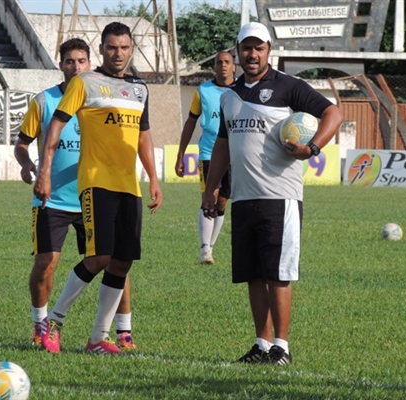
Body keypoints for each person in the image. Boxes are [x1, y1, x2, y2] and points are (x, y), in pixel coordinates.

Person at [202, 22, 343, 365]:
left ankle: (282, 347)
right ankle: (262, 345)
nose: (252, 54)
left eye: (259, 48)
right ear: (237, 51)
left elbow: (333, 113)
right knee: (253, 274)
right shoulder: (229, 95)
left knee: (278, 274)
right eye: (246, 48)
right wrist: (211, 187)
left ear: (269, 50)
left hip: (280, 197)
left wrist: (312, 148)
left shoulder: (288, 86)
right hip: (244, 197)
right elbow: (223, 143)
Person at [34, 22, 163, 355]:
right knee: (100, 256)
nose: (117, 53)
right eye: (110, 47)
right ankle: (55, 321)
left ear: (131, 48)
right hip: (95, 181)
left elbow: (143, 135)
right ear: (101, 49)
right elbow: (55, 128)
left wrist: (153, 177)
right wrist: (44, 172)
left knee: (122, 262)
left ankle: (97, 339)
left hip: (128, 186)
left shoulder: (139, 89)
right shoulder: (84, 82)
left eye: (123, 47)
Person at [14, 38, 136, 352]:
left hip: (92, 195)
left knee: (115, 259)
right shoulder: (44, 101)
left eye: (82, 61)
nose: (76, 67)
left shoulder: (100, 94)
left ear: (89, 61)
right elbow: (23, 143)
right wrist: (30, 165)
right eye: (70, 61)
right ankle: (40, 324)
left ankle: (122, 331)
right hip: (51, 198)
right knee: (46, 262)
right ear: (61, 64)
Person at [175, 51, 236, 265]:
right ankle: (204, 249)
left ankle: (210, 247)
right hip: (209, 153)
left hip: (235, 155)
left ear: (234, 67)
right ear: (215, 67)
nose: (223, 66)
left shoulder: (243, 91)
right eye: (219, 62)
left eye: (227, 62)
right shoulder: (203, 91)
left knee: (222, 202)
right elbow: (190, 122)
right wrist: (180, 154)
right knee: (209, 199)